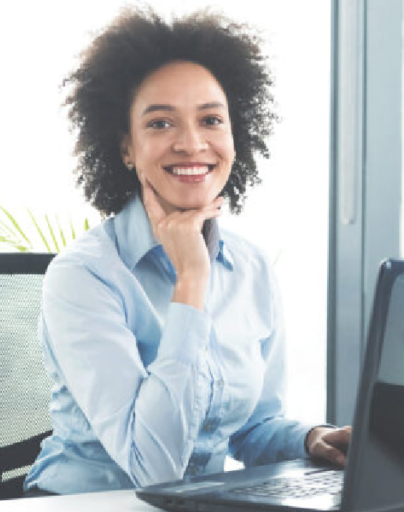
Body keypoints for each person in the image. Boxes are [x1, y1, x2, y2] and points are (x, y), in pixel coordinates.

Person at [23, 6, 350, 496]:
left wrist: (312, 440)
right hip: (87, 502)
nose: (192, 143)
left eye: (211, 120)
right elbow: (153, 470)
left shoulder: (251, 267)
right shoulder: (84, 275)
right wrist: (191, 280)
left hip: (201, 504)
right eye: (160, 124)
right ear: (126, 148)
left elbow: (250, 428)